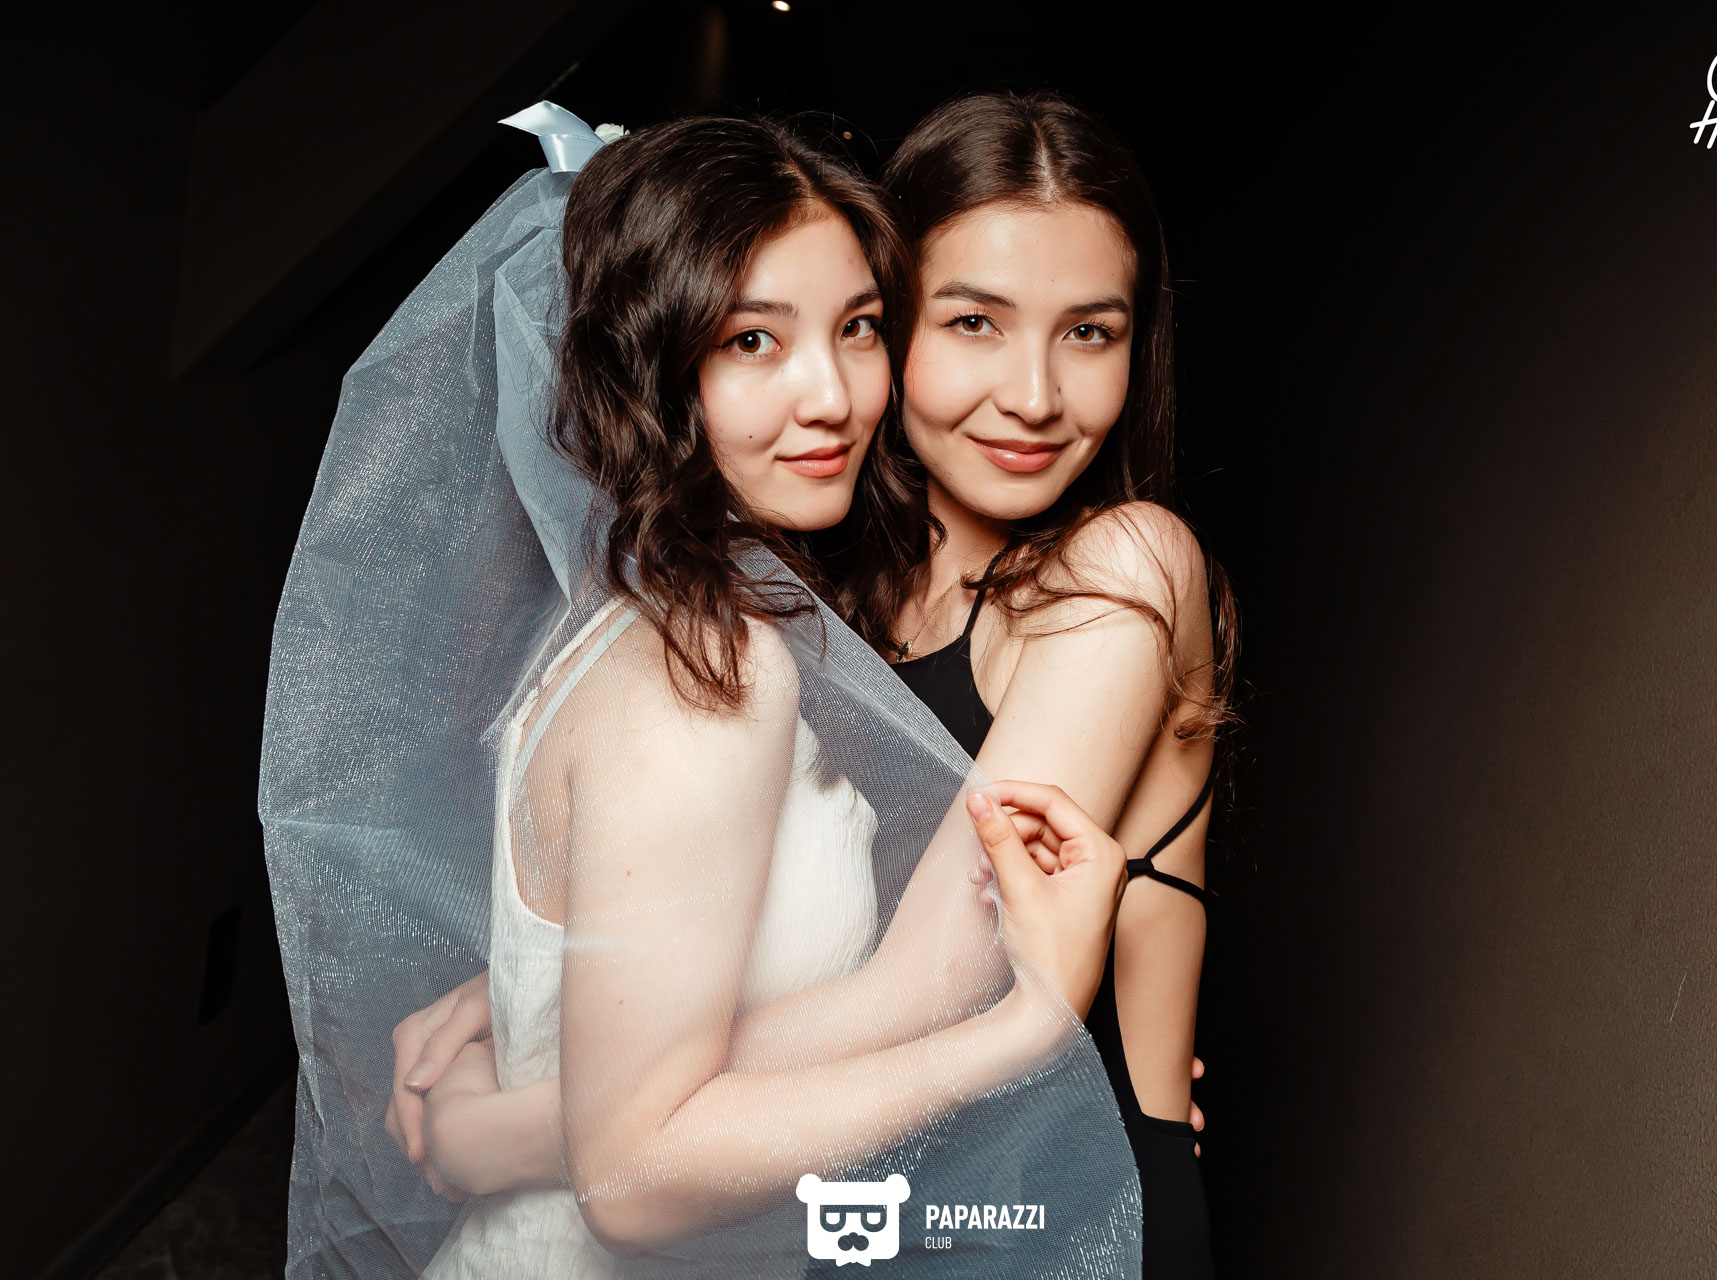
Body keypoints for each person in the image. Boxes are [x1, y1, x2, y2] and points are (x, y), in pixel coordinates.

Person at [263, 106, 1142, 1280]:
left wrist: (522, 1048)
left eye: (858, 327)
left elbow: (652, 964)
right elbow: (633, 1179)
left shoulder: (648, 617)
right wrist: (1022, 1031)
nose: (832, 394)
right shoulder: (712, 673)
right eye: (753, 340)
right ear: (653, 365)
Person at [834, 90, 1236, 1277]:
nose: (1035, 395)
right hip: (834, 1199)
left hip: (1059, 1224)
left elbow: (934, 982)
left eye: (1089, 332)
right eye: (974, 321)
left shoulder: (1128, 566)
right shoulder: (823, 600)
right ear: (882, 321)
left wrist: (590, 1078)